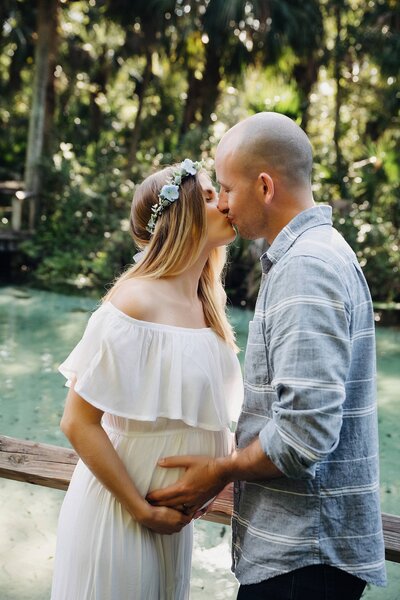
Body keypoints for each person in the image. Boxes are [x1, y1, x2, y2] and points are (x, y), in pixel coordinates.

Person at [147, 113, 387, 599]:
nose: (225, 204)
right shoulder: (321, 253)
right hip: (305, 554)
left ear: (264, 186)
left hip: (304, 555)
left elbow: (304, 437)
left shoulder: (306, 269)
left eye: (228, 189)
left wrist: (219, 470)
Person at [50, 158, 243, 600]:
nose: (226, 205)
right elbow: (78, 423)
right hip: (122, 514)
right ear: (181, 214)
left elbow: (213, 421)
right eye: (211, 197)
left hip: (172, 524)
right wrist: (140, 509)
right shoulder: (133, 303)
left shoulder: (208, 310)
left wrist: (213, 479)